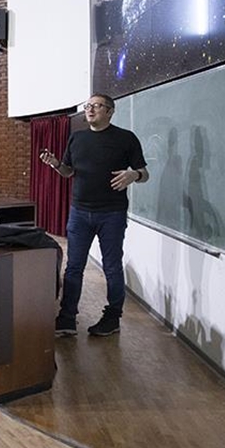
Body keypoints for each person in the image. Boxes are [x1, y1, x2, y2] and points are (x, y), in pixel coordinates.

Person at [41, 94, 148, 338]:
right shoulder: (77, 138)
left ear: (110, 111)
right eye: (88, 106)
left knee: (111, 267)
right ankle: (67, 319)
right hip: (80, 212)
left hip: (112, 213)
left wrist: (134, 175)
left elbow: (144, 173)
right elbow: (68, 173)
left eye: (96, 106)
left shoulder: (126, 138)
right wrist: (56, 164)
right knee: (74, 267)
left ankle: (112, 319)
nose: (90, 110)